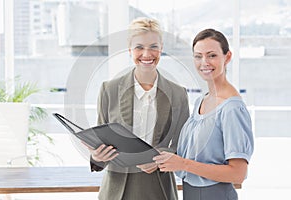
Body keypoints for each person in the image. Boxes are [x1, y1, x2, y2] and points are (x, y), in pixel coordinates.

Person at [88, 17, 189, 200]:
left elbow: (183, 146)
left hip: (159, 188)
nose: (146, 54)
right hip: (117, 190)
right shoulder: (109, 90)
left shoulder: (178, 94)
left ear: (161, 48)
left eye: (153, 46)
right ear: (129, 50)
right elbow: (101, 142)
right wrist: (97, 155)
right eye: (139, 47)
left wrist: (160, 158)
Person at [153, 29, 254, 200]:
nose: (204, 62)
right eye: (198, 56)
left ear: (227, 57)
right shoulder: (202, 100)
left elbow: (238, 173)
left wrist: (183, 164)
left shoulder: (232, 108)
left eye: (212, 55)